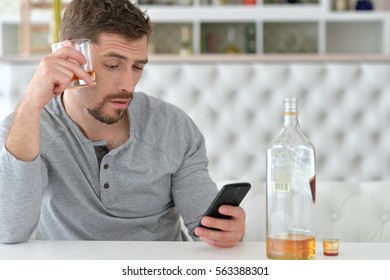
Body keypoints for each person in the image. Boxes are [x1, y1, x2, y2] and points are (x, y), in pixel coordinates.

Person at [0, 0, 246, 248]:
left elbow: (206, 232)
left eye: (137, 67)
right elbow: (7, 230)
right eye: (113, 65)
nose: (128, 85)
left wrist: (226, 232)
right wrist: (31, 102)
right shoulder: (26, 128)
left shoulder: (173, 126)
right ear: (72, 57)